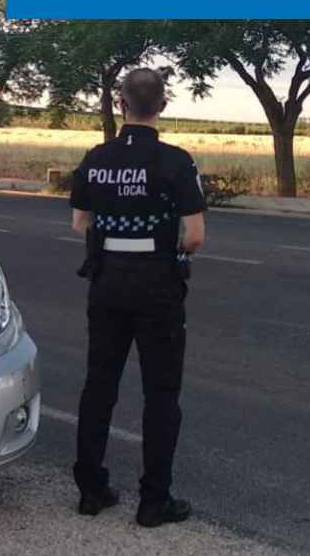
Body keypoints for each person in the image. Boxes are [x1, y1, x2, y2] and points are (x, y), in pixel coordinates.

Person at [69, 67, 207, 528]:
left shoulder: (96, 157)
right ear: (162, 105)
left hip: (107, 281)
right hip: (158, 286)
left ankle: (91, 490)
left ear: (120, 103)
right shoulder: (177, 162)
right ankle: (154, 501)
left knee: (99, 385)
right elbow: (195, 235)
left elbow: (79, 222)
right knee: (161, 393)